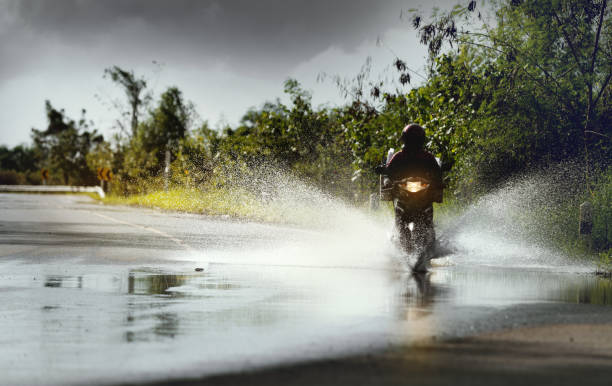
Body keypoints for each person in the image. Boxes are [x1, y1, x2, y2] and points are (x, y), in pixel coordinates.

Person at [376, 123, 443, 253]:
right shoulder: (399, 156)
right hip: (402, 192)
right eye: (411, 140)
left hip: (424, 192)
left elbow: (437, 171)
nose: (413, 143)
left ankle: (428, 243)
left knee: (427, 217)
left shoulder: (427, 157)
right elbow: (389, 169)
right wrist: (385, 171)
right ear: (406, 140)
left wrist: (438, 179)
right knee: (400, 219)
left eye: (416, 140)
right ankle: (401, 243)